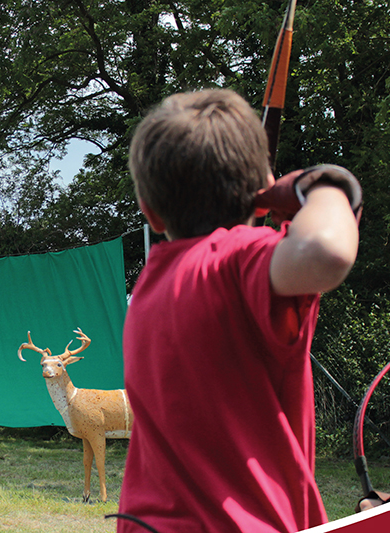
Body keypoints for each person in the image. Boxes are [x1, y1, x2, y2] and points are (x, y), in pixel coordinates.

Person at [115, 89, 361, 532]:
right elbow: (325, 250)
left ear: (150, 212)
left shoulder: (148, 290)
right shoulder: (238, 261)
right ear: (262, 194)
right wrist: (326, 184)